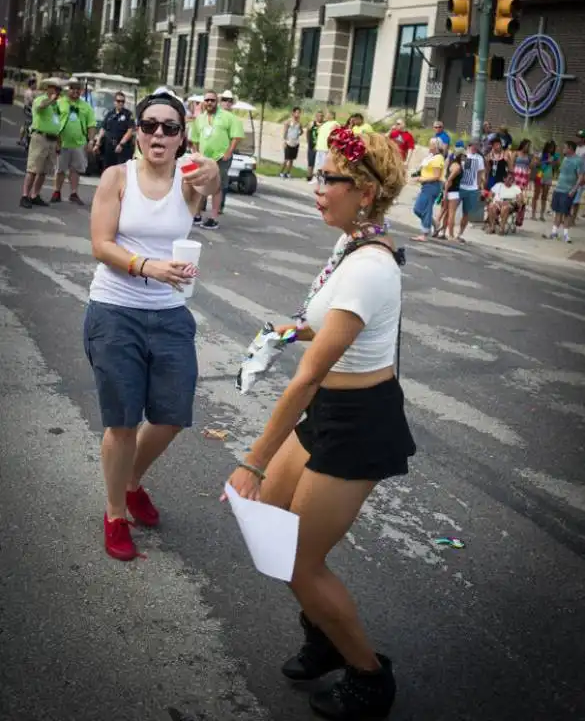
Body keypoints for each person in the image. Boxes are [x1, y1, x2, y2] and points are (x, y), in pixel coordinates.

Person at [224, 127, 414, 720]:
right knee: (274, 535)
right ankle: (325, 635)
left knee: (300, 561)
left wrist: (252, 459)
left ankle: (368, 676)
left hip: (358, 423)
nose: (316, 187)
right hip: (329, 409)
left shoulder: (369, 267)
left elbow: (308, 376)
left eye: (327, 178)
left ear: (361, 191)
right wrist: (287, 330)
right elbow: (327, 330)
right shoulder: (350, 246)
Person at [85, 91, 220, 561]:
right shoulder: (116, 178)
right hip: (114, 310)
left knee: (171, 415)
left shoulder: (189, 179)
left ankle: (131, 481)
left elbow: (212, 180)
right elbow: (101, 245)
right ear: (137, 131)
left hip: (169, 313)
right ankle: (115, 512)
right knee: (122, 421)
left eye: (169, 126)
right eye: (149, 125)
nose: (158, 134)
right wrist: (148, 266)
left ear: (183, 135)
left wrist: (215, 173)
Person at [190, 89, 243, 229]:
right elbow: (194, 138)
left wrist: (229, 152)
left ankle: (213, 218)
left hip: (221, 158)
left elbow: (236, 136)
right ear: (203, 102)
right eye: (207, 100)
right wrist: (196, 153)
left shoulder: (228, 117)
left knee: (217, 187)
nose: (209, 103)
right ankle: (196, 215)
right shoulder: (200, 118)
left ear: (217, 102)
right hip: (204, 158)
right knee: (201, 185)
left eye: (212, 100)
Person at [52, 77, 97, 206]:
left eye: (78, 89)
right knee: (60, 169)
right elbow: (54, 121)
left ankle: (74, 193)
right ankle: (57, 192)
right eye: (72, 88)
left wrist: (91, 141)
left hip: (79, 143)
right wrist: (56, 139)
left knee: (76, 169)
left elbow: (91, 125)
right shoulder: (60, 103)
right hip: (62, 142)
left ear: (81, 91)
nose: (75, 91)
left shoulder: (86, 107)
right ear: (68, 89)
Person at [19, 77, 62, 209]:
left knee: (43, 171)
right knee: (33, 169)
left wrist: (58, 141)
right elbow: (40, 107)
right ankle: (25, 195)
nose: (58, 91)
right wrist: (51, 100)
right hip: (40, 138)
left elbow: (57, 122)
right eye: (55, 88)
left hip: (52, 139)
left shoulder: (56, 106)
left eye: (59, 89)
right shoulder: (41, 99)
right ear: (48, 88)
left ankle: (35, 195)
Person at [545, 141, 584, 244]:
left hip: (568, 190)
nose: (563, 149)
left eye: (565, 147)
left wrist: (574, 190)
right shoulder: (565, 159)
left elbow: (580, 177)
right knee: (557, 211)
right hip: (559, 188)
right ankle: (554, 232)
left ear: (570, 148)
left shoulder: (578, 161)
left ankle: (566, 234)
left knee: (566, 212)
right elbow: (561, 171)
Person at [411, 137, 444, 242]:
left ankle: (425, 233)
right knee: (418, 209)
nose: (429, 146)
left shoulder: (438, 158)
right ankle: (434, 223)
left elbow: (436, 176)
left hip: (432, 185)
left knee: (425, 209)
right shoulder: (431, 157)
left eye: (431, 144)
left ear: (435, 146)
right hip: (427, 185)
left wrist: (422, 179)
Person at [93, 91, 135, 169]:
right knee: (107, 170)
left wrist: (121, 144)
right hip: (109, 147)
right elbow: (103, 129)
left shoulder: (128, 114)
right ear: (114, 102)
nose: (120, 103)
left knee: (121, 171)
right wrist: (97, 143)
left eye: (122, 101)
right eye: (118, 101)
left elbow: (130, 131)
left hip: (122, 148)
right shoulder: (110, 114)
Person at [457, 138, 485, 243]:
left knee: (466, 213)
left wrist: (478, 186)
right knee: (451, 208)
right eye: (474, 145)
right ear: (469, 145)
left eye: (477, 146)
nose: (475, 147)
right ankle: (445, 230)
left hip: (472, 189)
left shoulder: (479, 158)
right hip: (461, 186)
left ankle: (460, 233)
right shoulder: (464, 155)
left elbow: (480, 172)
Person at [436, 141, 466, 240]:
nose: (464, 157)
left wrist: (444, 192)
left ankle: (438, 231)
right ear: (460, 155)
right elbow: (449, 180)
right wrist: (445, 194)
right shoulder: (457, 167)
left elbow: (447, 178)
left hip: (448, 191)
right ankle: (451, 235)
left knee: (444, 212)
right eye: (463, 155)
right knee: (451, 214)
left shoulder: (452, 164)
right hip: (453, 192)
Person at [532, 140, 559, 221]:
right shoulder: (541, 154)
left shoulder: (555, 156)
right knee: (536, 194)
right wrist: (547, 161)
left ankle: (542, 215)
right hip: (540, 174)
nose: (551, 149)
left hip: (548, 176)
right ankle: (533, 214)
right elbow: (536, 164)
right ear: (547, 147)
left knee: (544, 196)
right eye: (550, 147)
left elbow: (556, 166)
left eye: (553, 147)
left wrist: (555, 161)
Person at [280, 106, 303, 178]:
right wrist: (284, 141)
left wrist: (298, 133)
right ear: (293, 113)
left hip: (295, 143)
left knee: (292, 159)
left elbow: (301, 131)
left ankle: (288, 172)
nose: (298, 114)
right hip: (288, 142)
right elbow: (285, 132)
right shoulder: (288, 121)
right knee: (286, 159)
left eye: (299, 113)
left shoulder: (299, 122)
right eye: (297, 112)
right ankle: (281, 172)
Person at [306, 110, 324, 182]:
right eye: (319, 116)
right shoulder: (312, 123)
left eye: (322, 116)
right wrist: (308, 142)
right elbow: (307, 132)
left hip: (320, 147)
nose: (320, 117)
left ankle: (318, 177)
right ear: (316, 116)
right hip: (312, 146)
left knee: (320, 163)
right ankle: (309, 177)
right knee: (311, 162)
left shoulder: (324, 125)